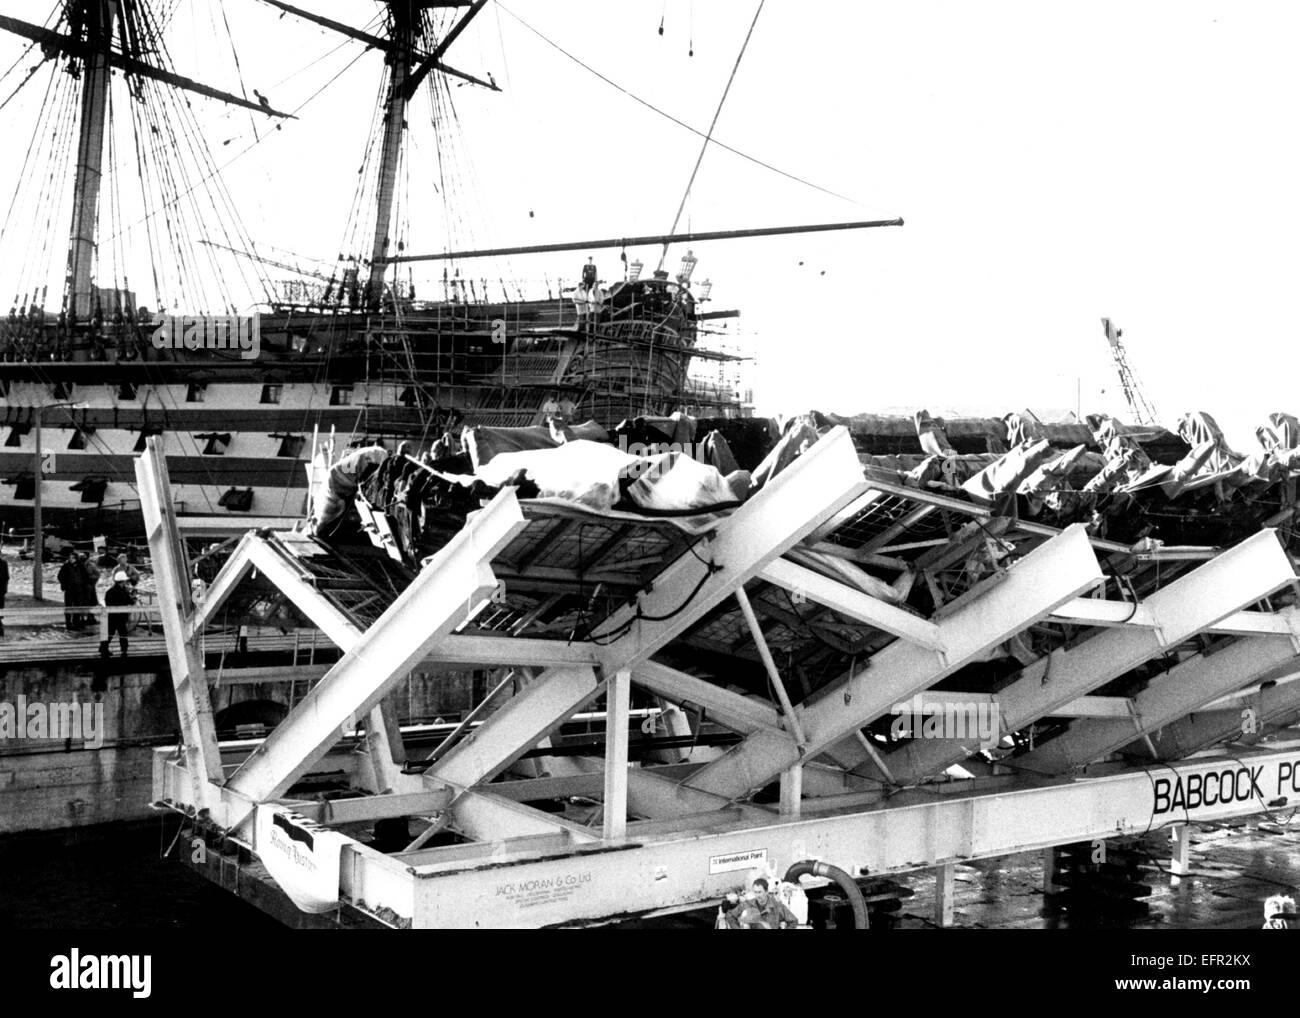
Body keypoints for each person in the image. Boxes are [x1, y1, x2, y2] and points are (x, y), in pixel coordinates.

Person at [718, 877, 800, 929]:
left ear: (767, 891)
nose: (757, 895)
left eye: (760, 892)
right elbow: (730, 915)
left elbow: (794, 921)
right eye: (755, 892)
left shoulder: (777, 907)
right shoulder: (747, 904)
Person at [101, 570, 134, 659]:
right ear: (123, 581)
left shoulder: (110, 591)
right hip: (121, 617)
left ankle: (103, 649)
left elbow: (108, 604)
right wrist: (133, 597)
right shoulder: (124, 591)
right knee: (123, 633)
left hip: (112, 616)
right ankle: (124, 650)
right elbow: (130, 601)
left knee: (110, 633)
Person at [0, 548, 8, 637]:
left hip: (0, 591)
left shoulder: (3, 564)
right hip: (1, 591)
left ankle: (1, 630)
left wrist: (4, 589)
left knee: (0, 612)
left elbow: (6, 577)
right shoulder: (3, 564)